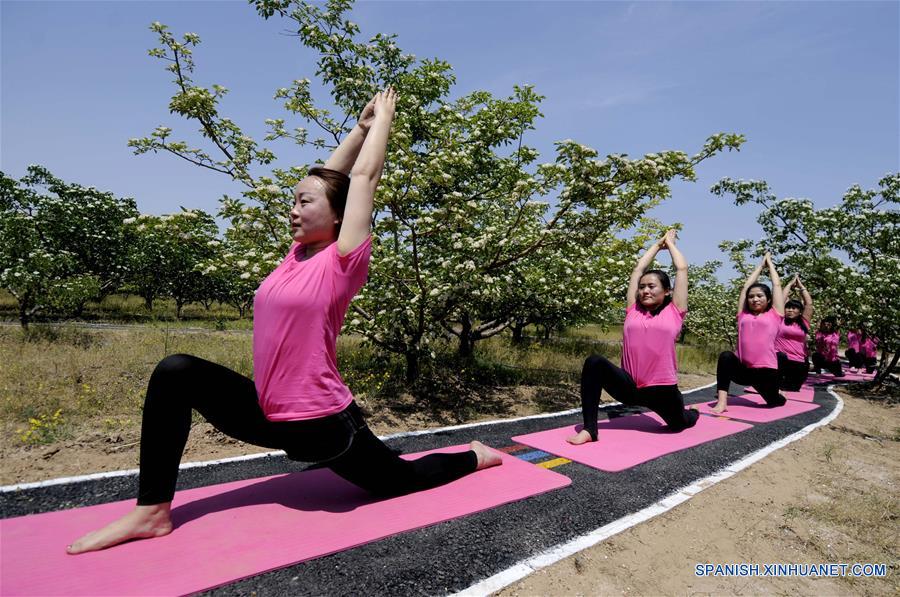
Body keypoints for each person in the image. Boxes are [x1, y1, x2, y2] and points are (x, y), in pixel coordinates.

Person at [67, 89, 501, 555]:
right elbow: (330, 180)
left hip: (323, 425)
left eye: (304, 203)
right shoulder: (295, 256)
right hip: (268, 414)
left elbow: (361, 178)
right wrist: (357, 128)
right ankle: (152, 511)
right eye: (293, 201)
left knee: (400, 478)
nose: (293, 210)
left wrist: (383, 123)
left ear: (337, 217)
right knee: (176, 371)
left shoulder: (342, 261)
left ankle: (476, 455)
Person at [567, 229, 699, 445]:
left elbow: (681, 268)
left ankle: (692, 413)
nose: (645, 290)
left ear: (667, 291)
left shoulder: (675, 312)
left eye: (652, 286)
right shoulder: (633, 310)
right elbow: (638, 269)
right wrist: (657, 246)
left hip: (662, 390)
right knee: (594, 363)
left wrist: (671, 244)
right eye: (642, 287)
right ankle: (590, 430)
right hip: (629, 387)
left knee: (680, 423)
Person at [711, 253, 787, 413]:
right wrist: (760, 266)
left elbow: (777, 285)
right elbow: (746, 287)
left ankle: (778, 394)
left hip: (767, 372)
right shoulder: (743, 315)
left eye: (760, 296)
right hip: (744, 370)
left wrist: (770, 264)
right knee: (726, 356)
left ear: (768, 299)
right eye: (751, 297)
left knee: (775, 402)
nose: (755, 299)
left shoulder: (775, 314)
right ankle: (722, 402)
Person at [774, 275, 812, 390]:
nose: (790, 310)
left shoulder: (804, 322)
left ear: (800, 311)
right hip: (780, 361)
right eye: (788, 308)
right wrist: (789, 285)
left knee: (793, 388)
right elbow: (780, 300)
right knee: (777, 387)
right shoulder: (779, 319)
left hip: (798, 362)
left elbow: (808, 304)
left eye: (794, 308)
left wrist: (801, 286)